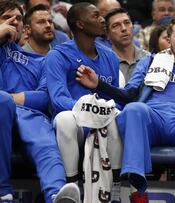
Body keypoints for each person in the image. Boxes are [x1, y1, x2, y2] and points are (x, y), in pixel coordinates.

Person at [76, 15, 175, 203]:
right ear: (169, 39)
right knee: (135, 109)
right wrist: (99, 84)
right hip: (153, 118)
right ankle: (138, 194)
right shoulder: (150, 61)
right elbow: (129, 95)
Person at [0, 0, 80, 202]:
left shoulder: (44, 60)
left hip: (27, 116)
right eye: (7, 18)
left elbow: (45, 97)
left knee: (45, 142)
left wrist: (10, 100)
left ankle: (56, 195)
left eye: (18, 18)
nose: (14, 22)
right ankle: (2, 192)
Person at [45, 2, 122, 201]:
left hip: (104, 122)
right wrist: (90, 109)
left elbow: (116, 99)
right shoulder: (58, 55)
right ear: (79, 24)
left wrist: (100, 111)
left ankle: (115, 188)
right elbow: (58, 99)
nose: (102, 19)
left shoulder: (111, 57)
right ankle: (72, 187)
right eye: (96, 16)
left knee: (118, 117)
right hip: (76, 123)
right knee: (64, 119)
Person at [104, 8, 148, 86]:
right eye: (116, 25)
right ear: (107, 34)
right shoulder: (104, 63)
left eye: (127, 23)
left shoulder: (149, 59)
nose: (124, 28)